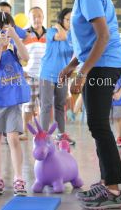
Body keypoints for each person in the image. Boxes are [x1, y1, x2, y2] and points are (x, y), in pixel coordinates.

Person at [57, 0, 121, 208]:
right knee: (97, 125)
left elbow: (103, 36)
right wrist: (72, 65)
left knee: (98, 125)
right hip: (98, 63)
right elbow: (88, 41)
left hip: (103, 65)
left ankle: (113, 191)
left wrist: (82, 73)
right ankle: (107, 182)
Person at [0, 12, 30, 196]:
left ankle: (19, 178)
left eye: (8, 30)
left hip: (13, 99)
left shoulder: (15, 47)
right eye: (0, 31)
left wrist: (15, 37)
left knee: (14, 138)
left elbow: (26, 57)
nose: (4, 35)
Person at [39, 8, 75, 145]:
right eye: (67, 19)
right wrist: (59, 26)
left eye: (72, 19)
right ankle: (44, 135)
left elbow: (69, 40)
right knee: (46, 105)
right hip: (47, 74)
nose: (70, 22)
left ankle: (61, 134)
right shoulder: (51, 31)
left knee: (60, 105)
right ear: (61, 19)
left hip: (62, 76)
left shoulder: (73, 35)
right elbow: (61, 36)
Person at [21, 6, 46, 140]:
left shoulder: (49, 35)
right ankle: (24, 131)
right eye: (34, 16)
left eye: (39, 16)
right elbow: (17, 54)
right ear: (29, 19)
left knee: (45, 106)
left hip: (45, 77)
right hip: (29, 76)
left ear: (43, 17)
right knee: (28, 106)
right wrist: (21, 71)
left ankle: (43, 132)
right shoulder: (24, 35)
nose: (37, 19)